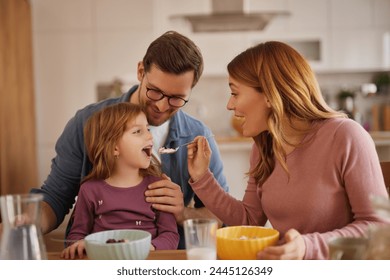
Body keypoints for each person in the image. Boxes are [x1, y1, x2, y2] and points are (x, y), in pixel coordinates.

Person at [187, 41, 389, 260]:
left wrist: (307, 247)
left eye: (235, 93)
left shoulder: (346, 136)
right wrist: (202, 177)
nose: (229, 104)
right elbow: (248, 220)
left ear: (269, 94)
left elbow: (377, 228)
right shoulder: (263, 146)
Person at [28, 30, 228, 248]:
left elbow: (222, 215)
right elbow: (55, 198)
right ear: (141, 71)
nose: (161, 106)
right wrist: (19, 226)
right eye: (154, 91)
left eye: (177, 98)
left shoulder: (198, 138)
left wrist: (183, 213)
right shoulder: (86, 123)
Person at [61, 103, 179, 259]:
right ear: (114, 148)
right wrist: (81, 244)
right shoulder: (90, 190)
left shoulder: (158, 187)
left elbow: (170, 235)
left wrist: (149, 248)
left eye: (148, 129)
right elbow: (76, 234)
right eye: (138, 131)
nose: (150, 136)